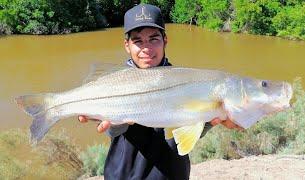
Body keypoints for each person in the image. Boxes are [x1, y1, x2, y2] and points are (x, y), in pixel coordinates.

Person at [78, 4, 243, 180]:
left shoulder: (187, 80)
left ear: (165, 40)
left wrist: (211, 119)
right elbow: (112, 132)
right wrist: (116, 123)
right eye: (138, 41)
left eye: (154, 39)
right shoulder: (113, 83)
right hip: (124, 175)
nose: (146, 49)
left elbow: (184, 133)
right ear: (127, 45)